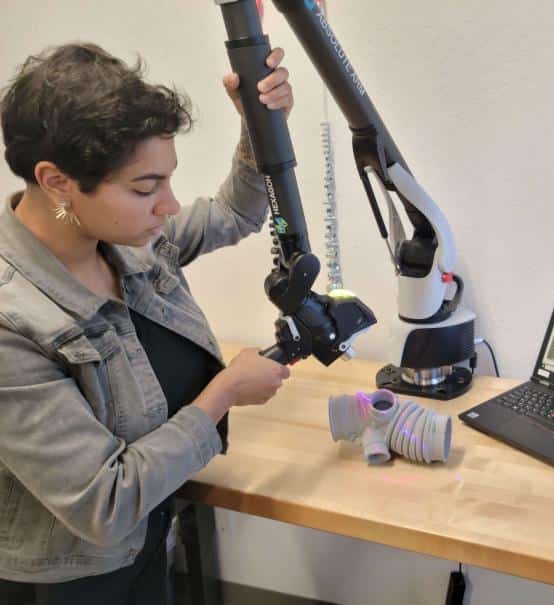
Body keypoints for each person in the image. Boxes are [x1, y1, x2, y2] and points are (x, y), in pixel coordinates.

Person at [0, 41, 294, 604]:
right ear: (58, 183)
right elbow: (105, 505)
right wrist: (222, 396)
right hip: (68, 579)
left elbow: (236, 212)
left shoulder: (128, 245)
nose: (169, 206)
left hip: (146, 541)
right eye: (145, 187)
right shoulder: (14, 322)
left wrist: (261, 127)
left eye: (167, 179)